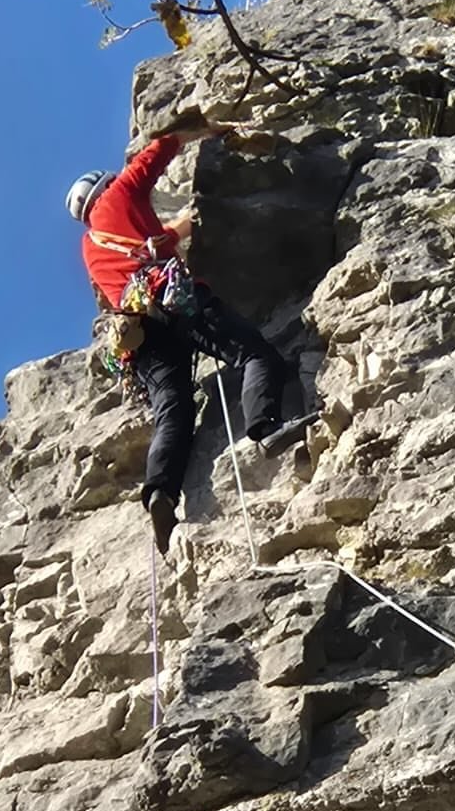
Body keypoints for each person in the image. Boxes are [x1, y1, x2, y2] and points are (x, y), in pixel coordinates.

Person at [66, 117, 317, 553]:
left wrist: (190, 221)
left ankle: (161, 491)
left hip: (137, 333)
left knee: (173, 409)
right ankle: (265, 426)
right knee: (253, 353)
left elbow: (155, 243)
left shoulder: (91, 246)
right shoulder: (120, 194)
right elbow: (163, 144)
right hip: (172, 298)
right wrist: (214, 128)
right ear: (104, 185)